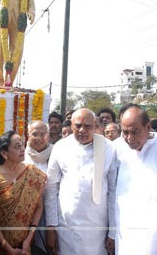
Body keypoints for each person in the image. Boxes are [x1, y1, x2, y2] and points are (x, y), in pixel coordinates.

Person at [45, 108, 117, 255]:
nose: (82, 130)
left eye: (88, 126)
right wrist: (50, 226)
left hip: (97, 228)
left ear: (96, 125)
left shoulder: (108, 148)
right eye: (78, 126)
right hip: (66, 226)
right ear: (71, 125)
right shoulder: (61, 147)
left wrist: (113, 231)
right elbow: (51, 188)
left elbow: (113, 191)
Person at [0, 130, 46, 255]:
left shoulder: (32, 172)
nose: (22, 149)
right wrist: (8, 248)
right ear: (4, 153)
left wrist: (28, 239)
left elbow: (39, 207)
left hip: (26, 245)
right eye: (17, 146)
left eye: (22, 144)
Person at [114, 103, 157, 255]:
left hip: (154, 232)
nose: (129, 138)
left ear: (148, 127)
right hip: (126, 229)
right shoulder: (117, 148)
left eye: (135, 132)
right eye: (125, 132)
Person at [25, 120, 53, 254]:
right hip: (25, 212)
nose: (39, 138)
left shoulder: (56, 154)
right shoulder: (20, 155)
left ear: (48, 135)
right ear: (27, 135)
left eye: (43, 134)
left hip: (50, 211)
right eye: (35, 134)